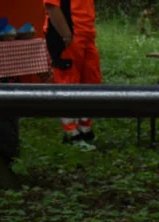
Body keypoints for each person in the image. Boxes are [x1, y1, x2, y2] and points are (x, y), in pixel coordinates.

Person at [44, 0, 102, 148]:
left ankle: (85, 127)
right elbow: (51, 6)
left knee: (92, 81)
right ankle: (71, 134)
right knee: (68, 84)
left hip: (87, 34)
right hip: (70, 35)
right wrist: (66, 34)